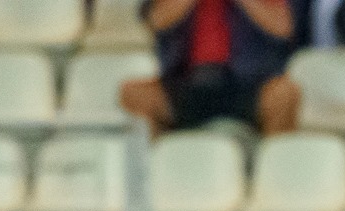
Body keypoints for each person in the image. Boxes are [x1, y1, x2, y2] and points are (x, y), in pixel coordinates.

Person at [120, 0, 300, 136]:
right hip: (185, 82)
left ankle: (273, 174)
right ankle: (159, 173)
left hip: (248, 82)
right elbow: (157, 20)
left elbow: (283, 26)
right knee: (135, 94)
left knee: (285, 94)